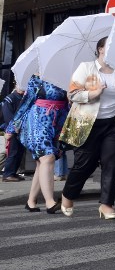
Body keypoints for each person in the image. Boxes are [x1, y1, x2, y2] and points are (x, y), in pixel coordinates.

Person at [60, 37, 115, 219]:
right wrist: (95, 93)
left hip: (114, 122)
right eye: (109, 46)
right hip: (88, 123)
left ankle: (107, 205)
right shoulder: (87, 67)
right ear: (100, 49)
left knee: (112, 162)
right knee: (85, 164)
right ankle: (68, 195)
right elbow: (72, 93)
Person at [7, 74, 68, 213]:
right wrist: (11, 128)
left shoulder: (66, 77)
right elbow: (25, 104)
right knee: (47, 157)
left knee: (42, 163)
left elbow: (69, 103)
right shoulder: (37, 78)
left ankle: (31, 201)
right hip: (38, 120)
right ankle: (50, 202)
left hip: (57, 122)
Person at [1, 83, 26, 182]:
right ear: (16, 86)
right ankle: (7, 174)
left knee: (20, 152)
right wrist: (13, 128)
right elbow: (8, 116)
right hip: (12, 130)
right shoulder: (10, 98)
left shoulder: (24, 98)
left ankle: (13, 173)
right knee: (12, 152)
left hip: (21, 130)